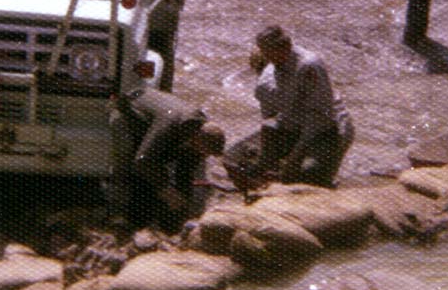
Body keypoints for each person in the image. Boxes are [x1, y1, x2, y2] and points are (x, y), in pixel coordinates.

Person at [224, 25, 353, 190]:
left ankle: (325, 183)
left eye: (271, 52)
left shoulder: (308, 67)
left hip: (329, 130)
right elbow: (269, 122)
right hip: (295, 124)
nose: (268, 57)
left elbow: (320, 118)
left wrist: (294, 157)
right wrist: (266, 161)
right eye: (265, 53)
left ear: (286, 47)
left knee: (307, 176)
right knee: (237, 158)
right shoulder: (266, 81)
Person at [109, 88, 225, 230]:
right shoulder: (171, 122)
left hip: (155, 120)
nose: (204, 156)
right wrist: (165, 190)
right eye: (204, 152)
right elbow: (142, 161)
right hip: (127, 113)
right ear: (196, 140)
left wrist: (182, 203)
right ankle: (121, 212)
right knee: (135, 164)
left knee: (160, 169)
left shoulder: (197, 134)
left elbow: (185, 172)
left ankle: (168, 222)